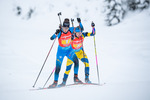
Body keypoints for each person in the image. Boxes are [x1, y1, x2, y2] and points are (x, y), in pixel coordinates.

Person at [58, 22, 96, 86]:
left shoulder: (83, 35)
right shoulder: (71, 36)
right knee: (68, 68)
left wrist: (93, 27)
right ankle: (63, 82)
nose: (79, 34)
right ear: (75, 33)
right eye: (78, 33)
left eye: (80, 33)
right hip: (72, 53)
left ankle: (87, 78)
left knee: (87, 63)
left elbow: (93, 34)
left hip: (80, 52)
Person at [49, 18, 83, 88]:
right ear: (62, 27)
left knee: (76, 61)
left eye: (67, 28)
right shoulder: (60, 32)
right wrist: (56, 33)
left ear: (69, 27)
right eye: (64, 28)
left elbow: (81, 29)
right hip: (60, 52)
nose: (65, 29)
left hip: (69, 50)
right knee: (58, 68)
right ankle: (55, 82)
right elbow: (51, 38)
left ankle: (75, 78)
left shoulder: (71, 29)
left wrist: (79, 23)